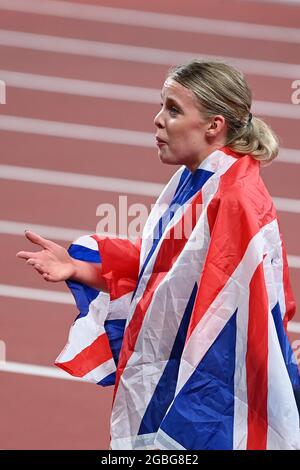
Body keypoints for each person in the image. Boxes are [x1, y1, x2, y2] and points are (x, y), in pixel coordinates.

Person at [17, 60, 300, 450]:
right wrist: (80, 267)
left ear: (214, 126)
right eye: (161, 106)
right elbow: (170, 267)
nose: (157, 120)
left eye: (173, 109)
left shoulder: (233, 196)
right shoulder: (201, 176)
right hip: (184, 370)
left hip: (210, 387)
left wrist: (275, 352)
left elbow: (237, 302)